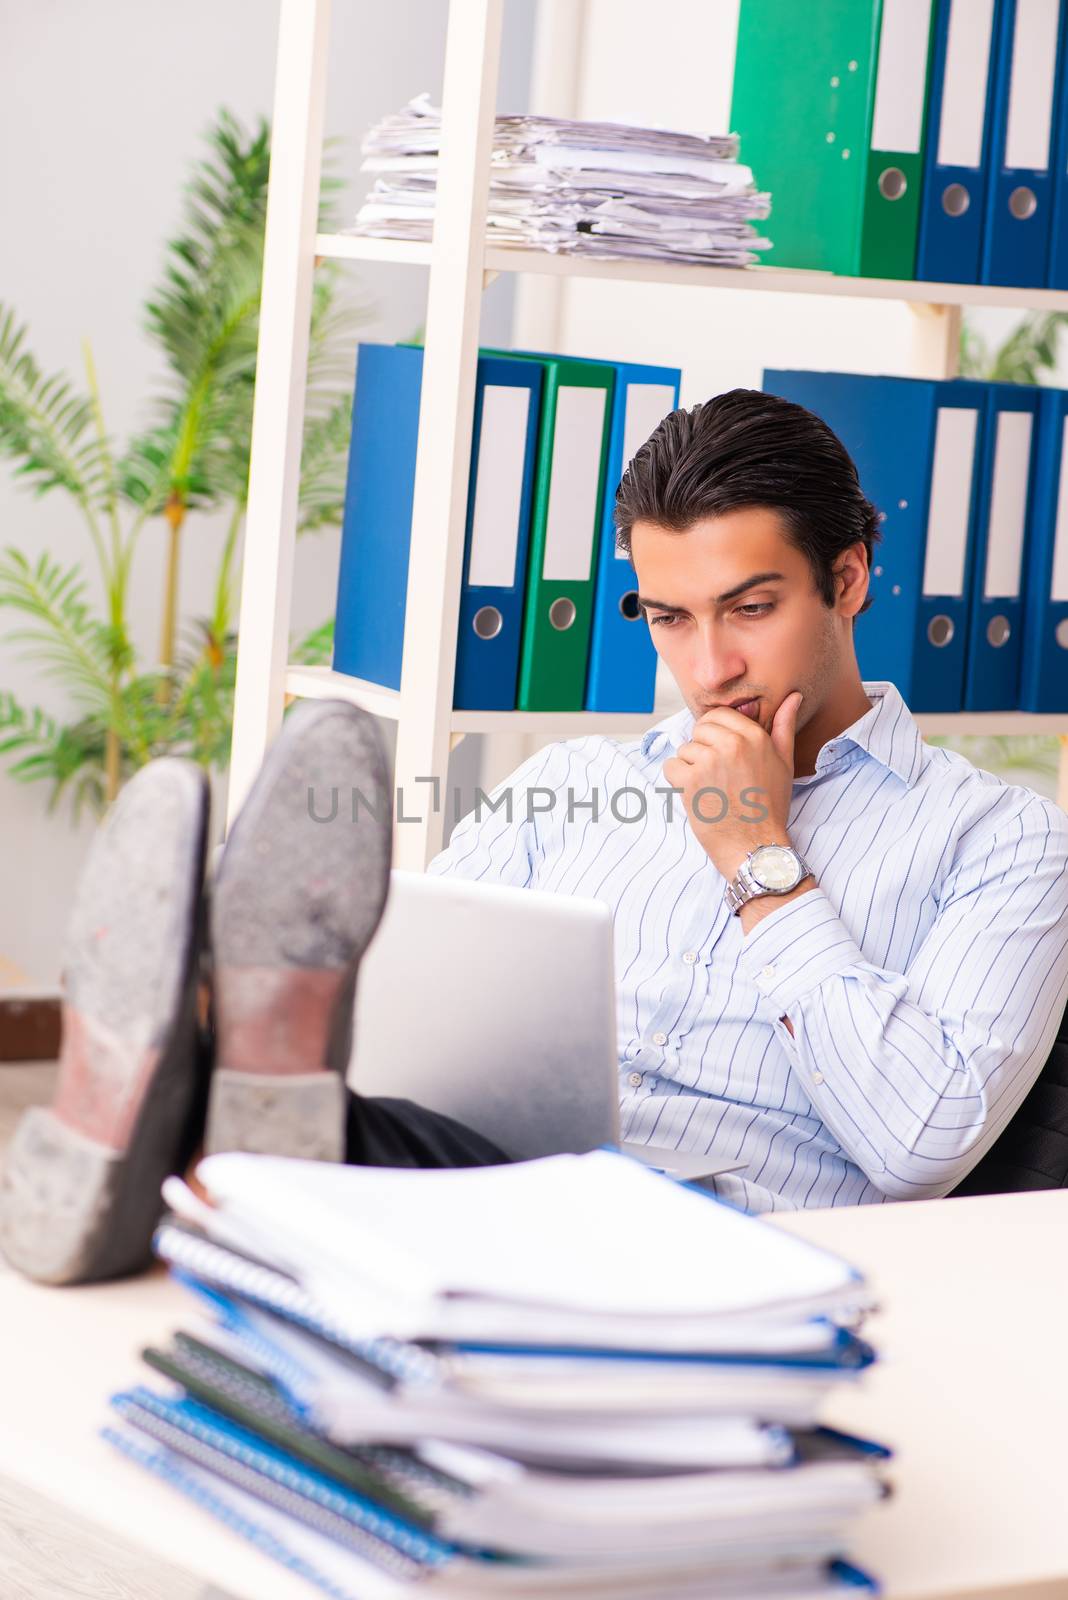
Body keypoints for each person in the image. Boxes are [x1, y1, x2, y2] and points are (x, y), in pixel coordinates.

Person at [5, 388, 1068, 1286]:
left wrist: (761, 863)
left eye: (749, 609)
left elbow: (919, 1145)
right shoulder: (573, 784)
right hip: (497, 1178)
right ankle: (221, 1076)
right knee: (341, 1113)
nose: (709, 668)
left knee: (299, 1162)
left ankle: (196, 1133)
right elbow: (419, 1011)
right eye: (670, 618)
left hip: (731, 1255)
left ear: (846, 578)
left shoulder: (1002, 839)